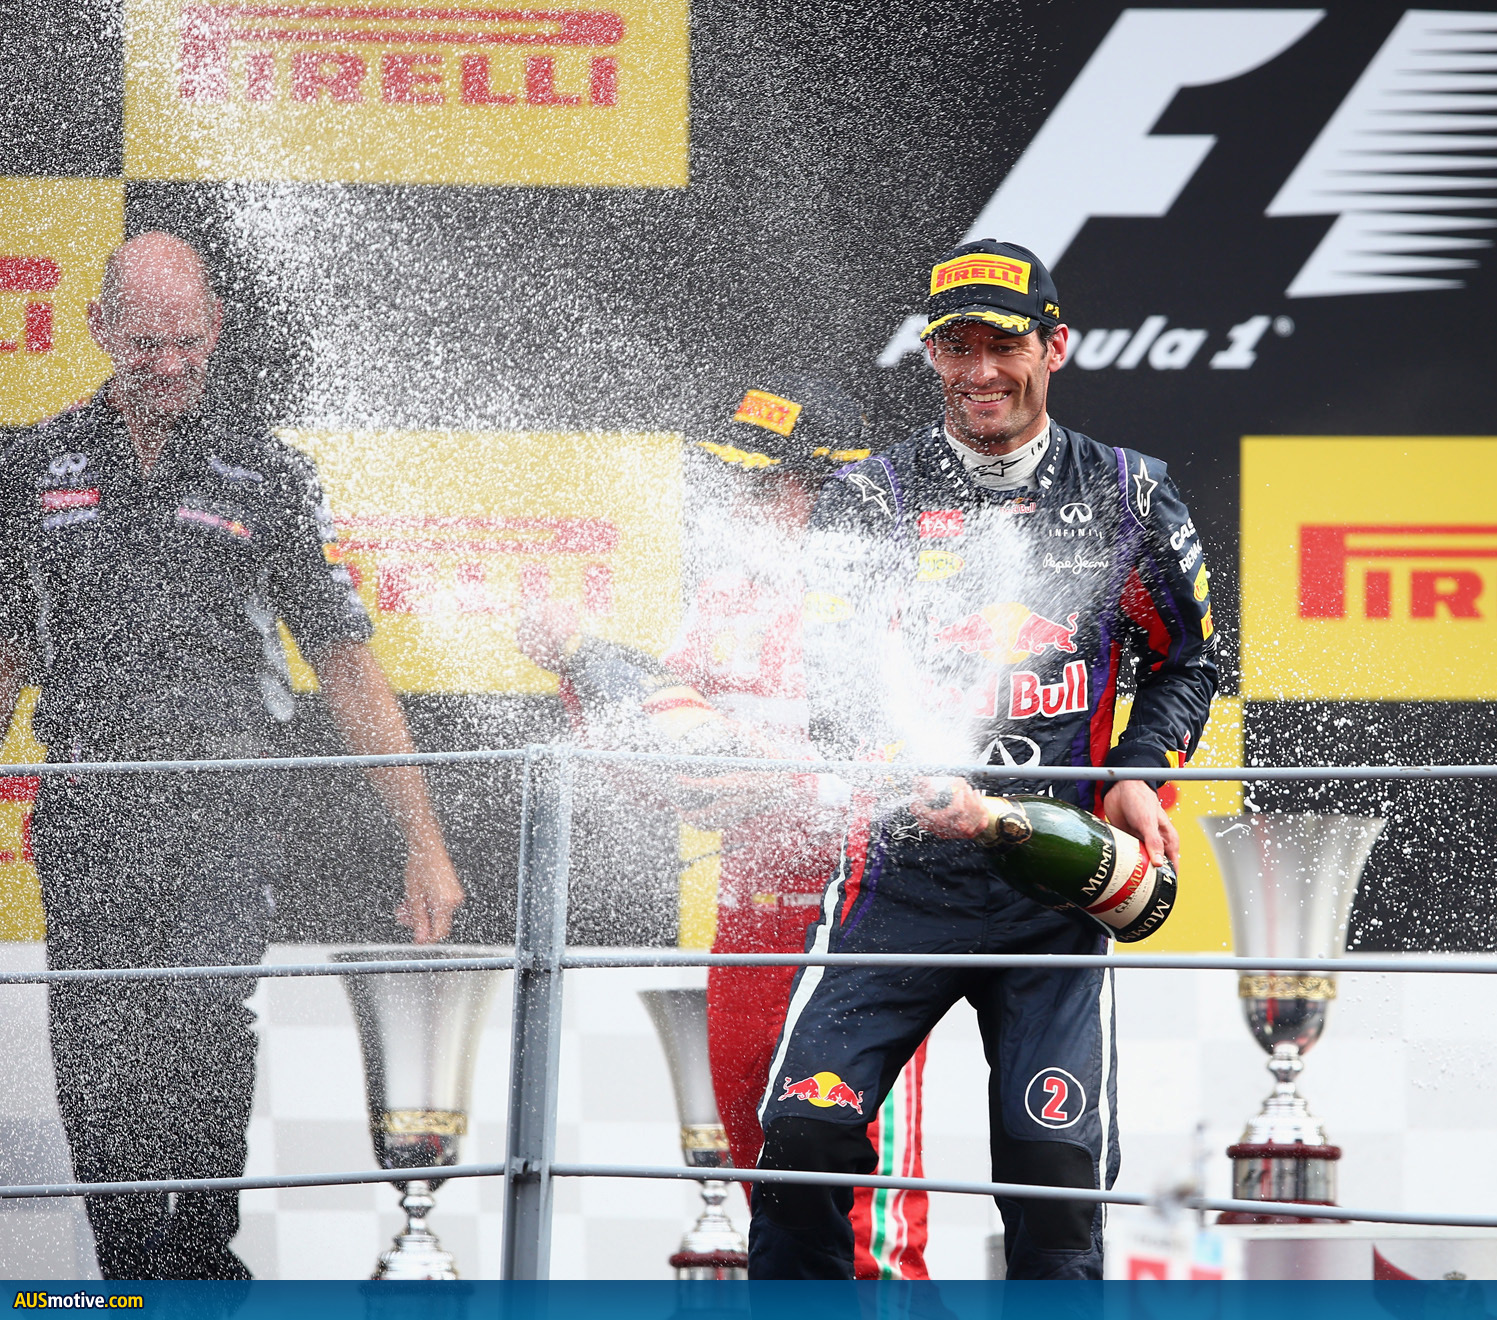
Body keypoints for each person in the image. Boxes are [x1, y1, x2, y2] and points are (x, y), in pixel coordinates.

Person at [749, 240, 1218, 1280]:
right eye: (956, 347)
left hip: (1052, 896)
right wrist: (906, 775)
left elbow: (1187, 662)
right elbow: (836, 691)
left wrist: (1136, 773)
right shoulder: (869, 497)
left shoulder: (1129, 494)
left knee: (1054, 1180)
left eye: (1003, 345)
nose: (980, 371)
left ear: (1054, 346)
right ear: (930, 354)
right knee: (804, 1142)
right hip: (897, 887)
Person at [0, 232, 463, 1279]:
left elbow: (347, 664)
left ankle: (203, 1260)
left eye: (190, 341)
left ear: (218, 329)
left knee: (206, 1019)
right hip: (87, 801)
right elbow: (7, 654)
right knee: (95, 1035)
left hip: (225, 802)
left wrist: (423, 841)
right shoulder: (30, 465)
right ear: (99, 329)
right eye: (146, 343)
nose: (170, 363)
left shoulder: (267, 470)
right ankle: (127, 1274)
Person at [516, 373, 932, 1278]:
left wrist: (778, 776)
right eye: (738, 480)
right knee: (764, 1180)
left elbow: (910, 785)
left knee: (862, 1216)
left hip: (857, 918)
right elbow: (669, 771)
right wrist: (579, 673)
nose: (741, 503)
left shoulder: (896, 598)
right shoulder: (723, 597)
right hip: (746, 915)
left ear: (824, 489)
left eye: (762, 483)